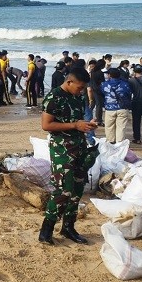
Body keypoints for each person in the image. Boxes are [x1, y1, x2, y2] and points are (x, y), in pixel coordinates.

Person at [38, 67, 98, 245]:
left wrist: (87, 125)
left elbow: (77, 120)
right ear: (69, 82)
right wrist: (75, 126)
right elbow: (46, 125)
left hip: (79, 147)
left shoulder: (77, 96)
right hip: (62, 150)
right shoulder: (54, 97)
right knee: (63, 190)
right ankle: (46, 231)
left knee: (77, 189)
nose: (81, 91)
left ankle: (68, 228)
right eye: (79, 87)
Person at [100, 67, 133, 143]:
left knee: (109, 127)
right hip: (123, 108)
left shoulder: (104, 84)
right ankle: (119, 143)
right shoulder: (125, 84)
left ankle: (111, 142)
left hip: (110, 108)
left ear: (110, 75)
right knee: (121, 127)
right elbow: (129, 94)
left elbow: (102, 93)